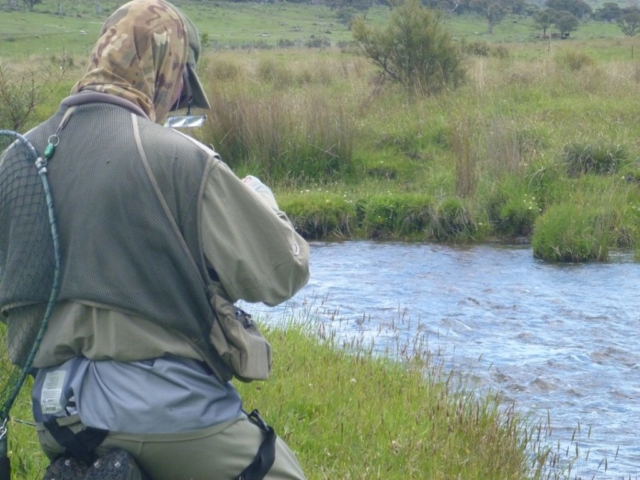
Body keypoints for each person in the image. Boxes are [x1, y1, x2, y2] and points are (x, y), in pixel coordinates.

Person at [0, 0, 309, 478]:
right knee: (279, 472)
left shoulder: (17, 160)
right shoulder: (180, 159)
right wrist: (263, 206)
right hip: (166, 415)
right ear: (170, 73)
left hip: (55, 416)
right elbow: (282, 275)